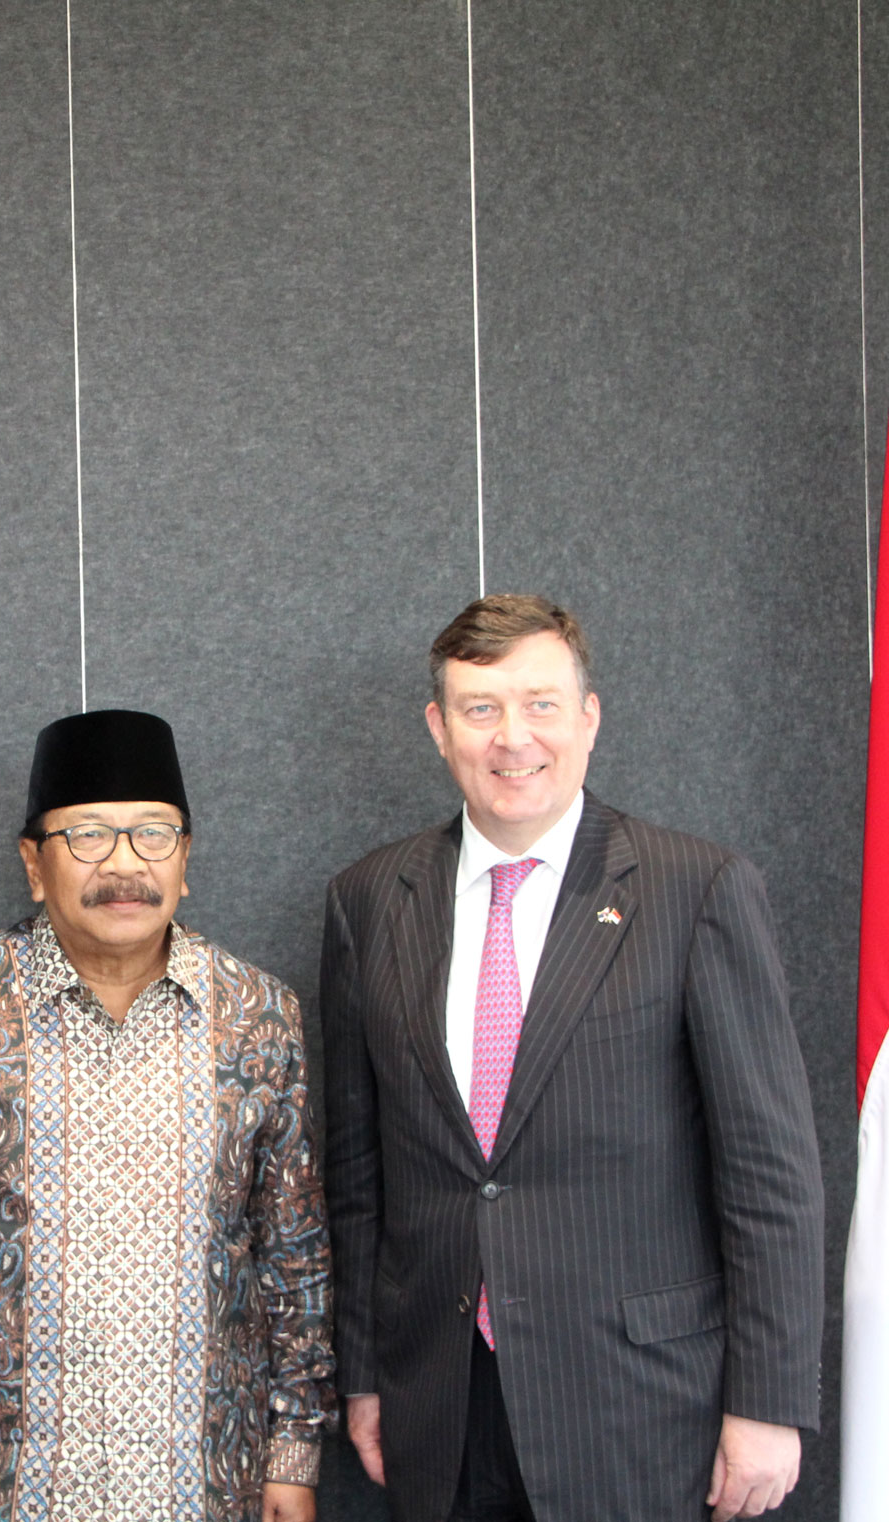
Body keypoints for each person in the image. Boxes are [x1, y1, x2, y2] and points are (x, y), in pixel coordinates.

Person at [320, 596, 825, 1522]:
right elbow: (357, 1174)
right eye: (480, 709)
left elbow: (770, 1175)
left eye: (542, 704)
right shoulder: (368, 902)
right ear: (439, 729)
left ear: (589, 717)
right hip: (440, 1406)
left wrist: (769, 1402)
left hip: (640, 1405)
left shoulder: (695, 889)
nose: (514, 737)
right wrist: (362, 1374)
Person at [0, 709, 334, 1522]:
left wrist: (293, 1455)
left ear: (186, 859)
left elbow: (294, 1254)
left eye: (153, 835)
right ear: (34, 865)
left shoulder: (259, 1014)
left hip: (204, 1479)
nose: (125, 866)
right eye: (89, 838)